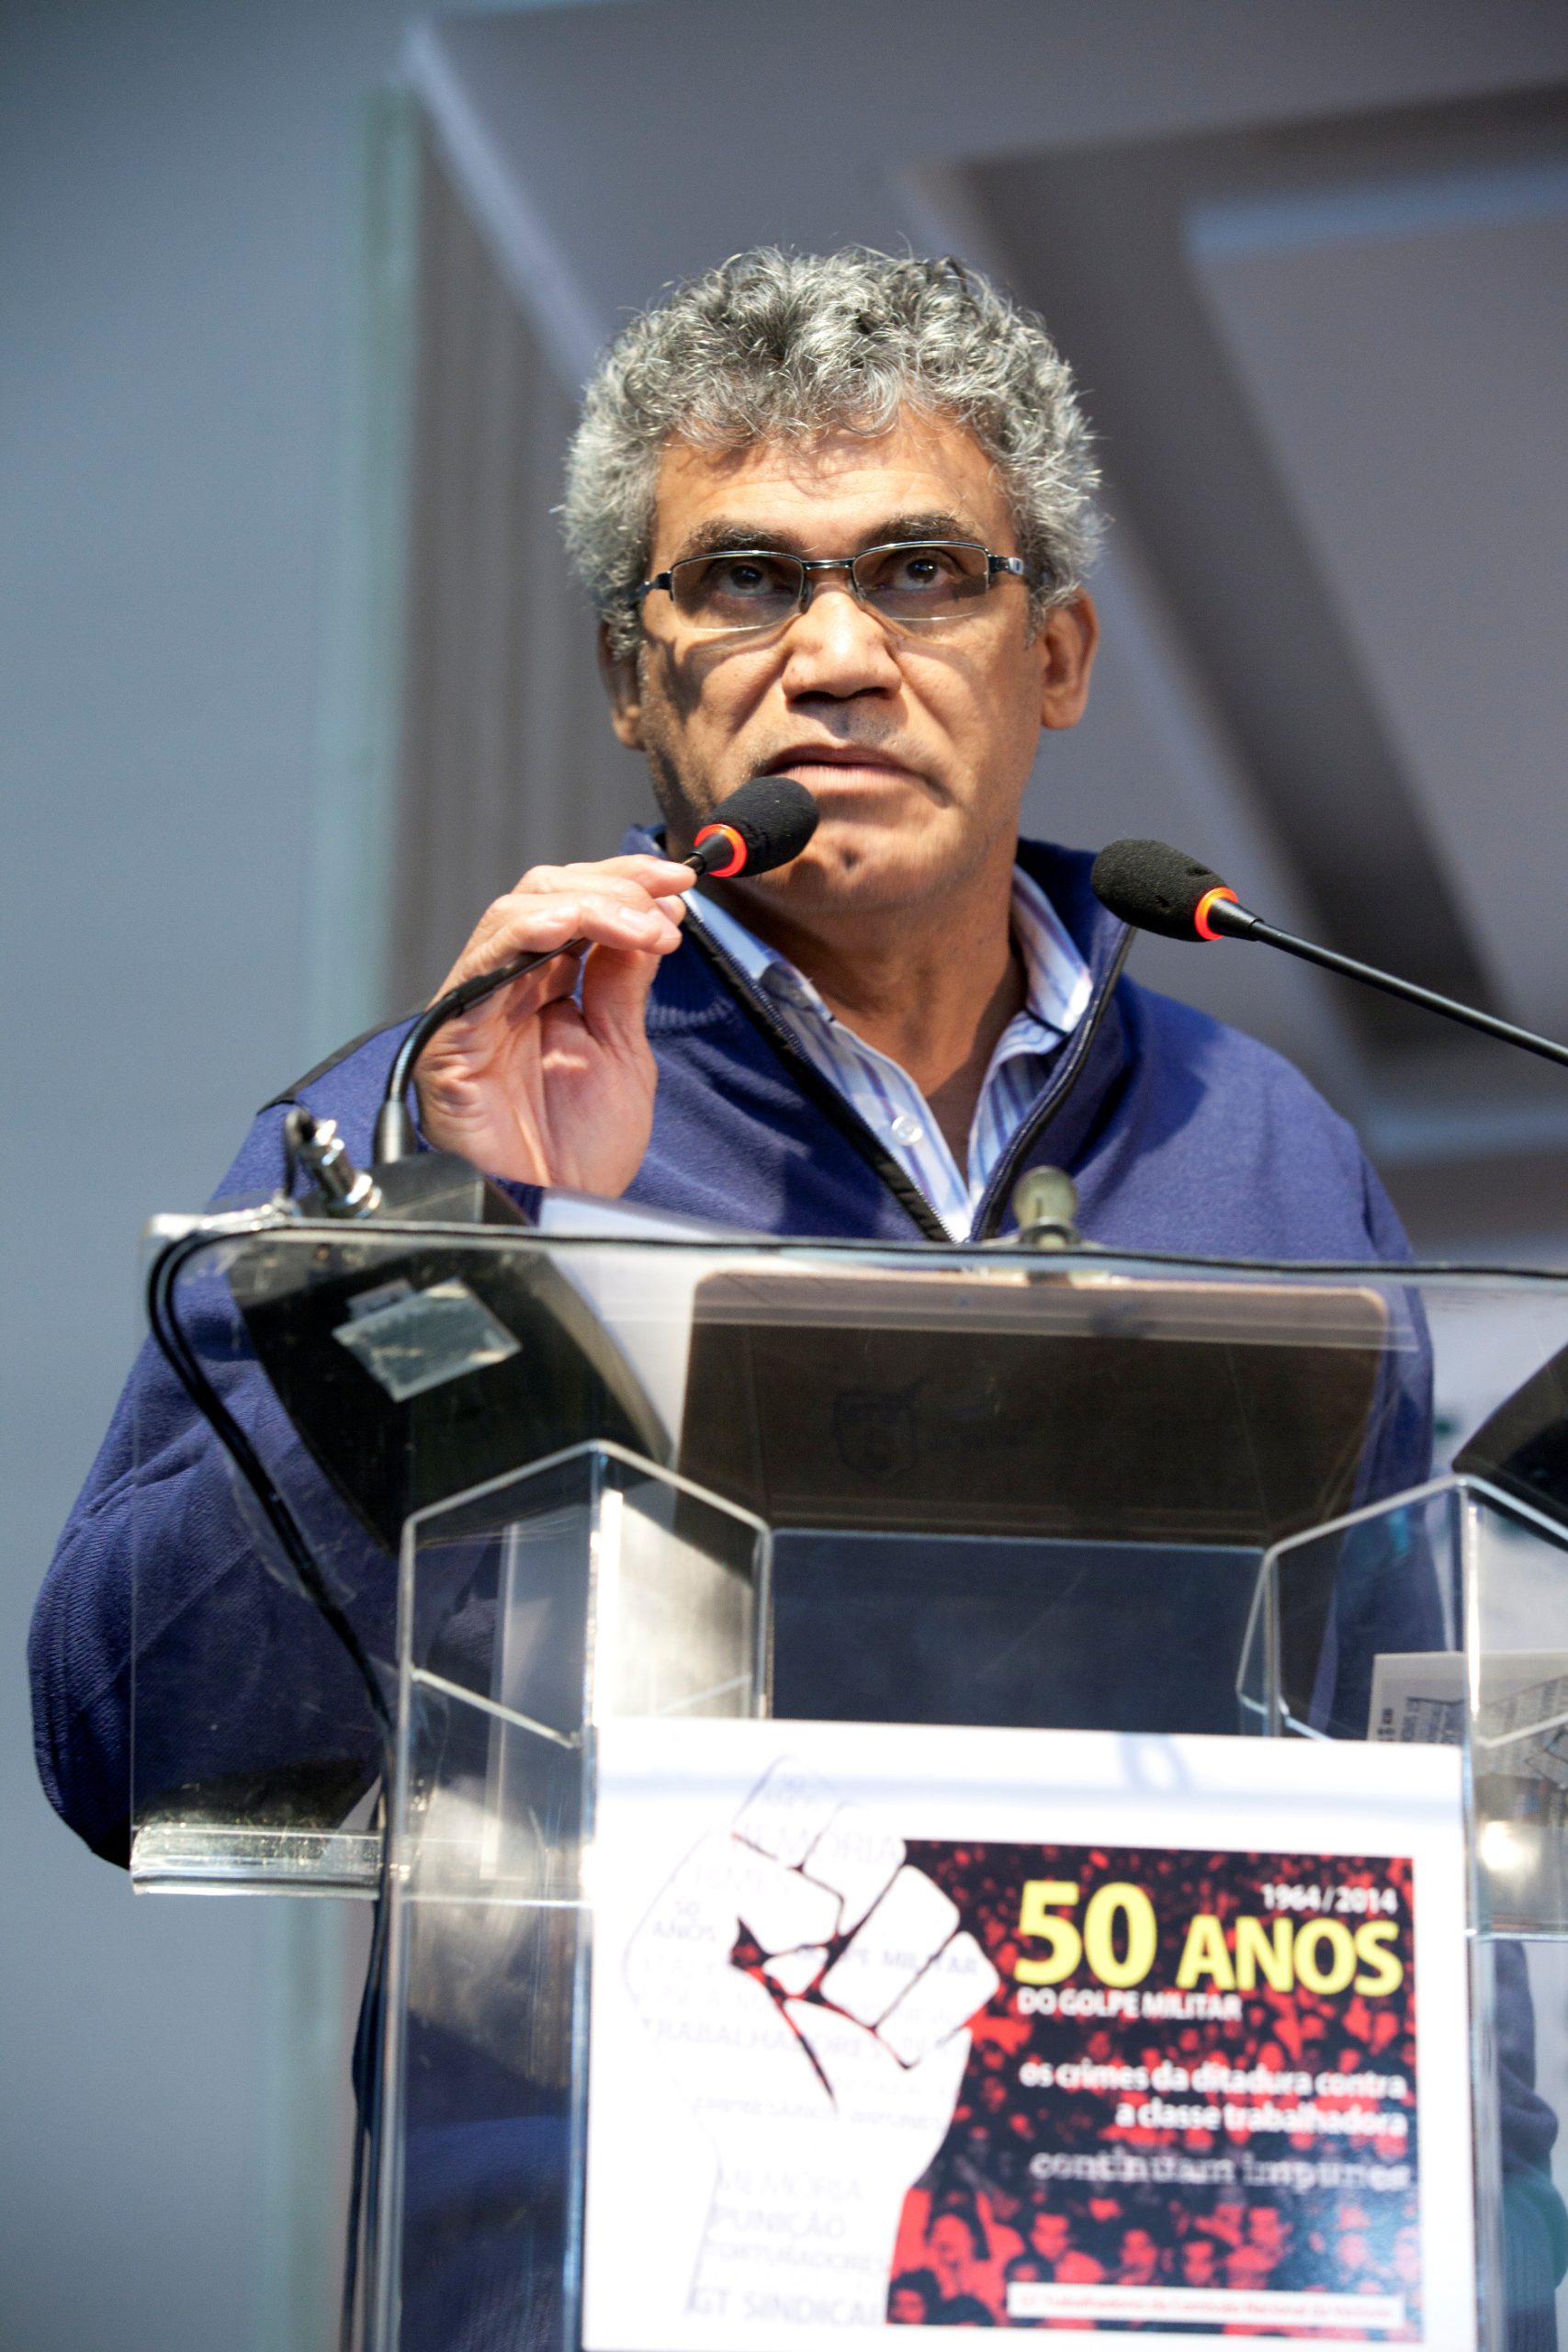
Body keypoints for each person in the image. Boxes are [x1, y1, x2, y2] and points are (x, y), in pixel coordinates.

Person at [27, 247, 1566, 2344]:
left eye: (921, 572)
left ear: (1055, 654)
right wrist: (450, 1224)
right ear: (630, 676)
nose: (835, 656)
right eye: (744, 581)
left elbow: (1436, 1806)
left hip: (1183, 2255)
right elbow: (135, 1745)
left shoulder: (1267, 1150)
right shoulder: (432, 1120)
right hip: (614, 2279)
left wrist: (1492, 2248)